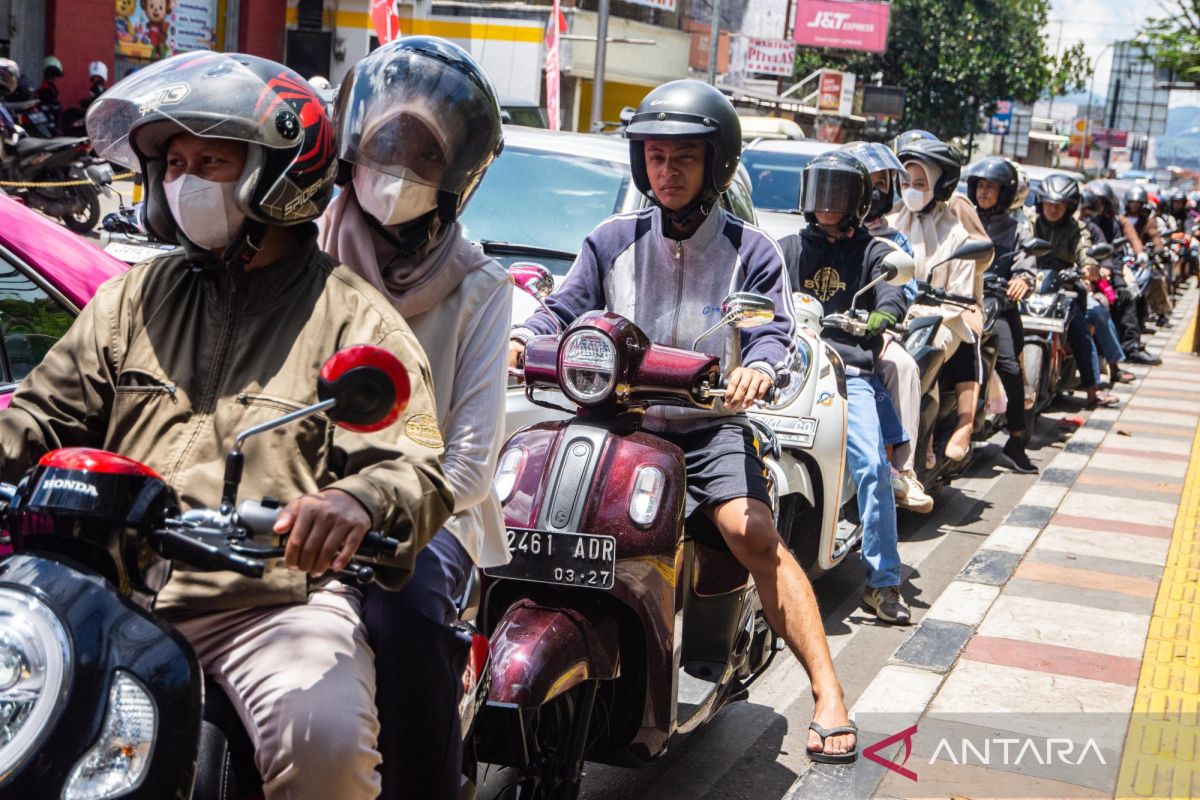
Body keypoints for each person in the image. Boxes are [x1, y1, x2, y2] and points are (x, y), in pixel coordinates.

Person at [0, 52, 455, 799]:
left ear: (279, 172)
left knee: (328, 746)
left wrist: (355, 503)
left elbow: (412, 465)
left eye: (210, 160)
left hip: (265, 605)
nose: (185, 180)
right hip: (103, 590)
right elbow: (41, 416)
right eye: (173, 162)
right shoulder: (133, 299)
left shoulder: (351, 318)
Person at [509, 80, 859, 759]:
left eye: (684, 159)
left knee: (750, 532)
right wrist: (529, 337)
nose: (668, 172)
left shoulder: (750, 249)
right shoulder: (609, 239)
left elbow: (770, 333)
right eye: (657, 158)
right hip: (612, 424)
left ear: (715, 165)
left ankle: (828, 692)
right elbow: (560, 308)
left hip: (706, 429)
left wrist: (758, 367)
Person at [318, 37, 511, 800]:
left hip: (432, 519)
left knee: (409, 619)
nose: (396, 171)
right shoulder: (306, 250)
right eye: (384, 147)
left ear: (456, 178)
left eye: (422, 158)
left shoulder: (482, 288)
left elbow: (467, 464)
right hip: (296, 499)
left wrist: (367, 505)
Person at [780, 150, 912, 624]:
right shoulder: (787, 248)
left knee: (874, 468)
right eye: (820, 190)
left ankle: (882, 582)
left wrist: (882, 315)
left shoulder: (875, 254)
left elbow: (894, 295)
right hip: (784, 370)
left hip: (846, 374)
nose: (826, 202)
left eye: (837, 193)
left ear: (858, 200)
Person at [840, 140, 933, 512]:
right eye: (867, 182)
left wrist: (882, 317)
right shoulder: (819, 230)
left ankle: (903, 471)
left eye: (881, 184)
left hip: (871, 334)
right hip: (822, 334)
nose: (875, 191)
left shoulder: (893, 239)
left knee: (902, 365)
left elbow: (901, 290)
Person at [889, 135, 992, 463]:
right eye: (907, 181)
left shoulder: (956, 233)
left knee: (928, 350)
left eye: (921, 182)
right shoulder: (890, 224)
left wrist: (928, 308)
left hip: (943, 316)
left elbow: (960, 296)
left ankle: (958, 424)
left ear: (938, 184)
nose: (912, 189)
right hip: (895, 315)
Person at [965, 157, 1038, 473]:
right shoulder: (960, 219)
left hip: (998, 305)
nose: (983, 192)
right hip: (958, 302)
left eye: (991, 187)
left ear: (1005, 193)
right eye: (980, 185)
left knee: (1009, 365)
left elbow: (1027, 265)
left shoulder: (1017, 228)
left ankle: (1017, 439)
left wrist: (1023, 279)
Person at [1033, 174, 1118, 409]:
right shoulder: (1029, 222)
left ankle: (1093, 390)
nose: (1053, 209)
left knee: (1080, 330)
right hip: (1028, 284)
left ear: (1068, 207)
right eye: (1049, 204)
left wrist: (1089, 266)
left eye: (1058, 205)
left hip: (1064, 288)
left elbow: (1085, 248)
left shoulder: (1076, 227)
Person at [1082, 181, 1161, 366]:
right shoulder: (1080, 223)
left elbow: (1115, 251)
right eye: (1092, 202)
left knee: (1126, 296)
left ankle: (1130, 347)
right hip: (1083, 271)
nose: (1095, 207)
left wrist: (1138, 254)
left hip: (1108, 269)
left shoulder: (1115, 222)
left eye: (1100, 203)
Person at [1125, 185, 1171, 327]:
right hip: (1124, 259)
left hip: (1143, 259)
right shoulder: (1121, 218)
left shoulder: (1148, 221)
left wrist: (1157, 249)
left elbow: (1155, 237)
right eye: (1131, 202)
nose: (1133, 205)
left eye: (1137, 203)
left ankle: (1162, 312)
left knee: (1157, 278)